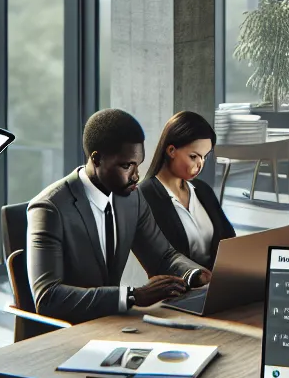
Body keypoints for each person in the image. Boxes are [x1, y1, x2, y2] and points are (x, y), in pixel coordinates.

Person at [27, 109, 209, 326]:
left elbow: (163, 257)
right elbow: (48, 298)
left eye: (138, 165)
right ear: (97, 159)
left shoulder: (132, 198)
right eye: (126, 166)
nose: (136, 176)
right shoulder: (49, 208)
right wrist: (132, 296)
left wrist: (197, 274)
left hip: (112, 324)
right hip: (67, 333)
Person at [139, 110, 236, 271]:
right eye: (193, 156)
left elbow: (229, 239)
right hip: (177, 291)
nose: (200, 164)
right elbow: (158, 258)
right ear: (171, 151)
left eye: (205, 157)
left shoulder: (202, 190)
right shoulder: (145, 196)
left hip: (218, 283)